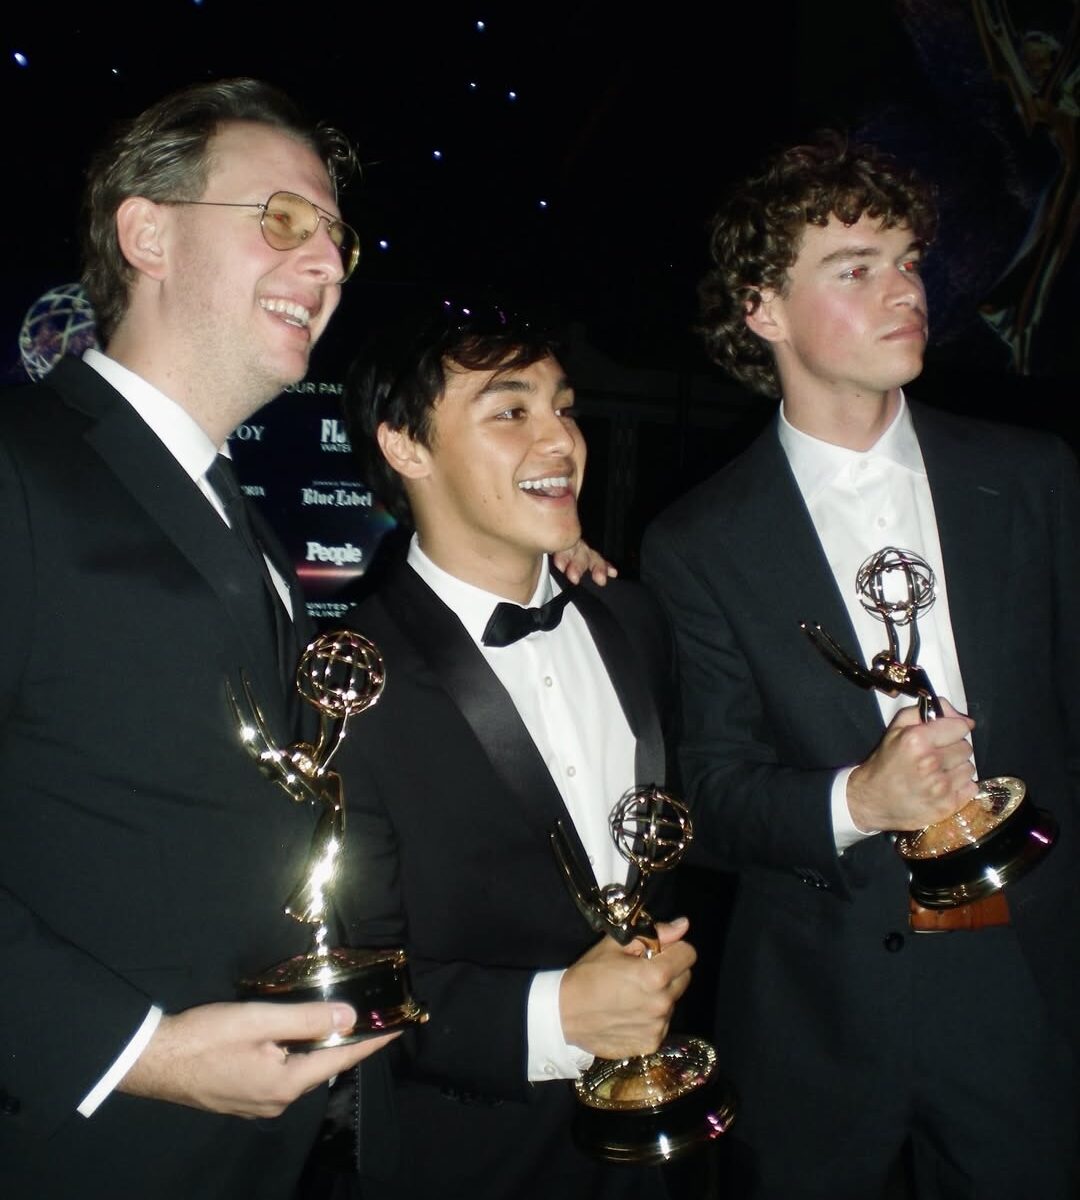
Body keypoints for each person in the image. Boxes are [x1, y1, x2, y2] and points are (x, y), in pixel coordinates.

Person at [640, 132, 1080, 1199]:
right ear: (763, 309)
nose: (904, 291)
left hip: (1029, 980)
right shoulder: (697, 543)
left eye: (908, 261)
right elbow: (711, 792)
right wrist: (860, 798)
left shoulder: (1030, 477)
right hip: (819, 1007)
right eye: (856, 269)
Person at [0, 77, 402, 1199]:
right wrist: (136, 1051)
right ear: (147, 232)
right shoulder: (20, 466)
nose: (325, 266)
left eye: (337, 241)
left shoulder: (243, 518)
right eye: (282, 220)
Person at [330, 299, 697, 1199]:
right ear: (405, 448)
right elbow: (346, 977)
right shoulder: (346, 686)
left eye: (563, 405)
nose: (563, 439)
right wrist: (558, 1015)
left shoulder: (631, 615)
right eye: (511, 410)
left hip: (666, 1140)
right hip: (468, 1156)